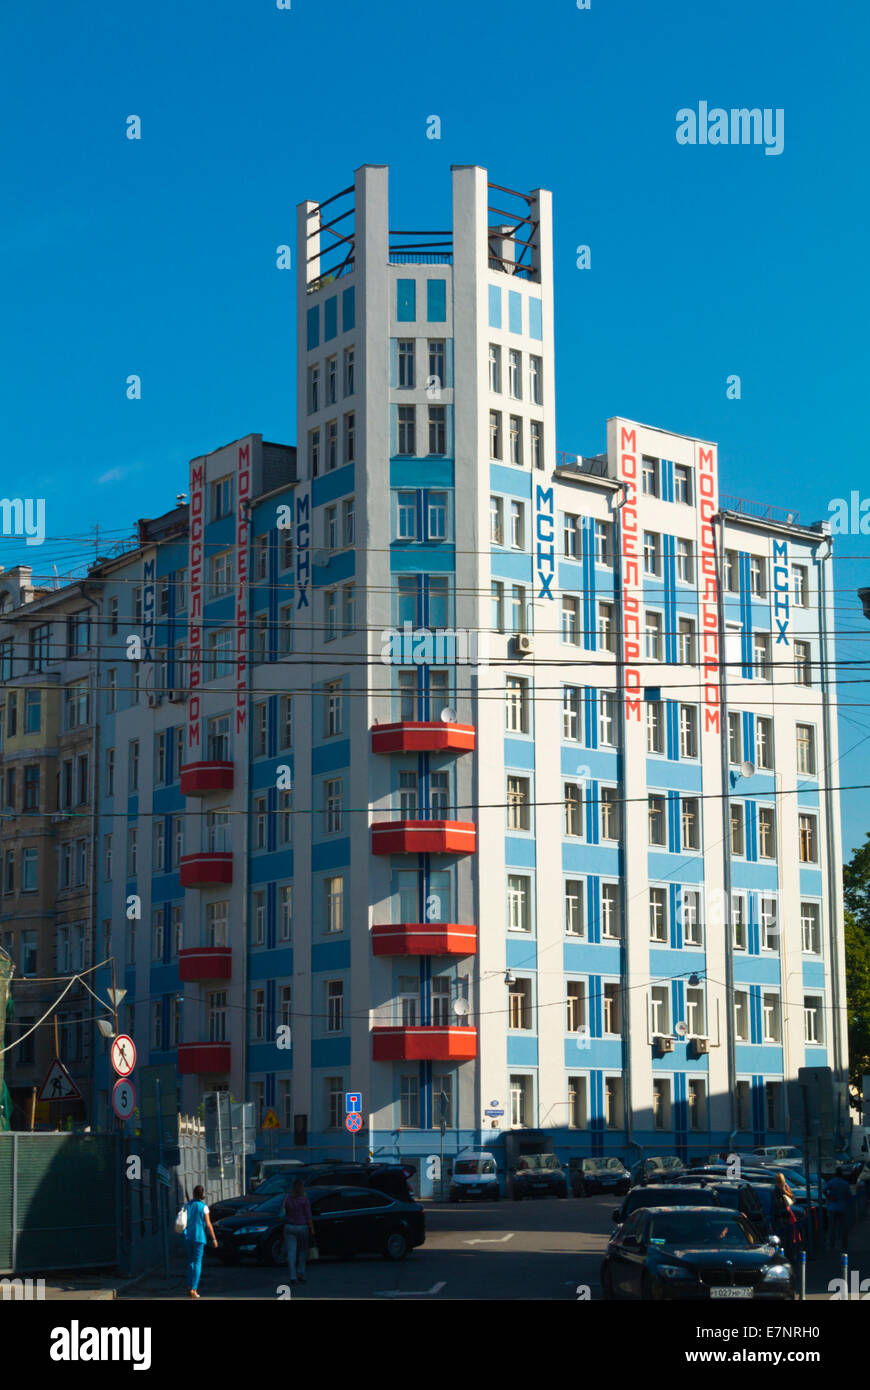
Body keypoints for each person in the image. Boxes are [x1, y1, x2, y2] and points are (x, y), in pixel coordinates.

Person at [185, 1185, 217, 1299]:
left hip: (188, 1237)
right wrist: (213, 1238)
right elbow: (208, 1224)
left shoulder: (187, 1205)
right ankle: (194, 1289)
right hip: (199, 1238)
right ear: (202, 1195)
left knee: (190, 1262)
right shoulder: (204, 1207)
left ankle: (189, 1285)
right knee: (198, 1263)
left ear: (193, 1193)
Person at [281, 1178, 315, 1284]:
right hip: (302, 1227)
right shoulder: (305, 1199)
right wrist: (312, 1229)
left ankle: (292, 1276)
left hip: (289, 1227)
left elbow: (282, 1213)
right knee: (303, 1251)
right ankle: (301, 1272)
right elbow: (308, 1216)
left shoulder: (287, 1198)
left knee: (291, 1252)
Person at [825, 1168, 852, 1252]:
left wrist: (829, 1197)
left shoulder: (831, 1182)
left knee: (832, 1227)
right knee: (843, 1227)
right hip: (842, 1207)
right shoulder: (845, 1183)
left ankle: (831, 1244)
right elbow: (849, 1196)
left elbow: (824, 1190)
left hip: (832, 1207)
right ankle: (844, 1244)